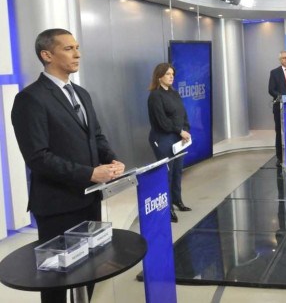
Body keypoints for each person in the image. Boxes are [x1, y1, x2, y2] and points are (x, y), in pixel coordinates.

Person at [11, 28, 125, 303]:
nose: (78, 54)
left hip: (89, 199)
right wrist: (89, 173)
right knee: (58, 281)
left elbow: (95, 136)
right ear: (46, 55)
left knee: (90, 269)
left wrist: (110, 158)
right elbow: (38, 157)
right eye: (69, 48)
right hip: (57, 205)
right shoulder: (31, 99)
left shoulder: (82, 94)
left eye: (77, 47)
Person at [148, 63, 192, 223]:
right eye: (168, 74)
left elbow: (183, 114)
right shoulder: (155, 96)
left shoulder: (175, 94)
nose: (171, 76)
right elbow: (162, 122)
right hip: (163, 138)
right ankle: (167, 208)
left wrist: (186, 130)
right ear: (159, 76)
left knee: (177, 171)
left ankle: (177, 200)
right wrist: (180, 131)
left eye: (172, 74)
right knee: (167, 173)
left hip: (178, 138)